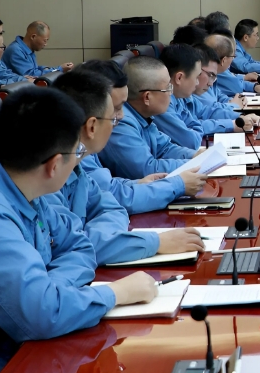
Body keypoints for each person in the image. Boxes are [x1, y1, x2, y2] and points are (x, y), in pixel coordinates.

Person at [0, 87, 158, 373]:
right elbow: (41, 317)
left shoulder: (22, 180)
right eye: (77, 153)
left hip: (22, 352)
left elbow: (79, 245)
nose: (78, 161)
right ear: (54, 165)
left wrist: (50, 291)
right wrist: (117, 293)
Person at [48, 71, 205, 264]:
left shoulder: (76, 168)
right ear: (92, 126)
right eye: (113, 114)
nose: (120, 118)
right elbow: (76, 247)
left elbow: (112, 207)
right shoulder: (50, 180)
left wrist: (102, 238)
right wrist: (154, 242)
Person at [77, 60, 204, 214]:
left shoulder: (81, 149)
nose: (121, 115)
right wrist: (178, 184)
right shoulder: (74, 153)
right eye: (117, 108)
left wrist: (136, 184)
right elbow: (112, 196)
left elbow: (106, 187)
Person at [101, 56, 198, 179]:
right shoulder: (121, 123)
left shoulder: (143, 115)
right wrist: (195, 164)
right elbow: (147, 170)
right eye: (167, 88)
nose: (171, 93)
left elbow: (165, 148)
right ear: (147, 97)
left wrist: (196, 155)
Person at [3, 21, 73, 77]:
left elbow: (34, 69)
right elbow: (32, 75)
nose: (46, 44)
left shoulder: (26, 49)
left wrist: (49, 69)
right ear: (33, 37)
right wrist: (60, 69)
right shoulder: (16, 50)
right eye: (45, 40)